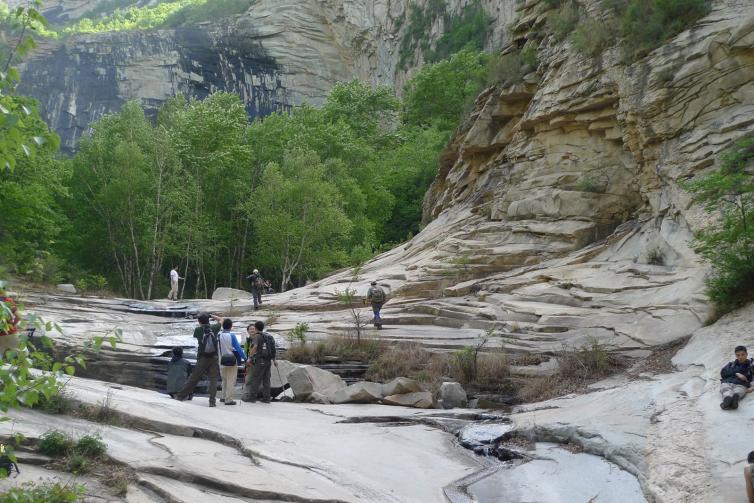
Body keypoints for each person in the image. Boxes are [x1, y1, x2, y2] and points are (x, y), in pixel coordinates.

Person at [175, 313, 221, 407]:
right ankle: (212, 402)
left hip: (202, 357)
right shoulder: (215, 328)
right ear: (208, 320)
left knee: (194, 378)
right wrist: (211, 315)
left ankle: (180, 396)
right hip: (214, 357)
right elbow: (222, 320)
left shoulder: (198, 330)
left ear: (199, 322)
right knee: (213, 379)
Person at [241, 320, 276, 403]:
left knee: (255, 379)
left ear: (256, 328)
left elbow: (255, 347)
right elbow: (273, 348)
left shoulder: (257, 336)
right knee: (266, 380)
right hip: (268, 361)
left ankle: (252, 397)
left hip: (260, 361)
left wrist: (250, 358)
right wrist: (274, 360)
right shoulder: (267, 336)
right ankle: (266, 398)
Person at [218, 318, 246, 406]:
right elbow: (238, 348)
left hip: (221, 360)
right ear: (231, 326)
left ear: (222, 326)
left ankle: (223, 397)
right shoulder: (232, 336)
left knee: (224, 379)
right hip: (231, 361)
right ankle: (228, 399)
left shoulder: (218, 335)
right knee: (231, 380)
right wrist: (244, 358)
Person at [720, 345, 754, 410]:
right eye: (738, 355)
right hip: (728, 382)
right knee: (726, 388)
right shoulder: (731, 364)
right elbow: (723, 373)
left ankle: (734, 399)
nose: (740, 357)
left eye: (742, 354)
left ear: (746, 354)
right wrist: (737, 373)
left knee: (740, 390)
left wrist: (752, 387)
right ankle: (728, 399)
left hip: (742, 384)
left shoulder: (751, 365)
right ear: (735, 356)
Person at [0, 281, 20, 358]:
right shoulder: (8, 301)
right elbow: (19, 316)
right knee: (23, 353)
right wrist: (13, 325)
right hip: (9, 332)